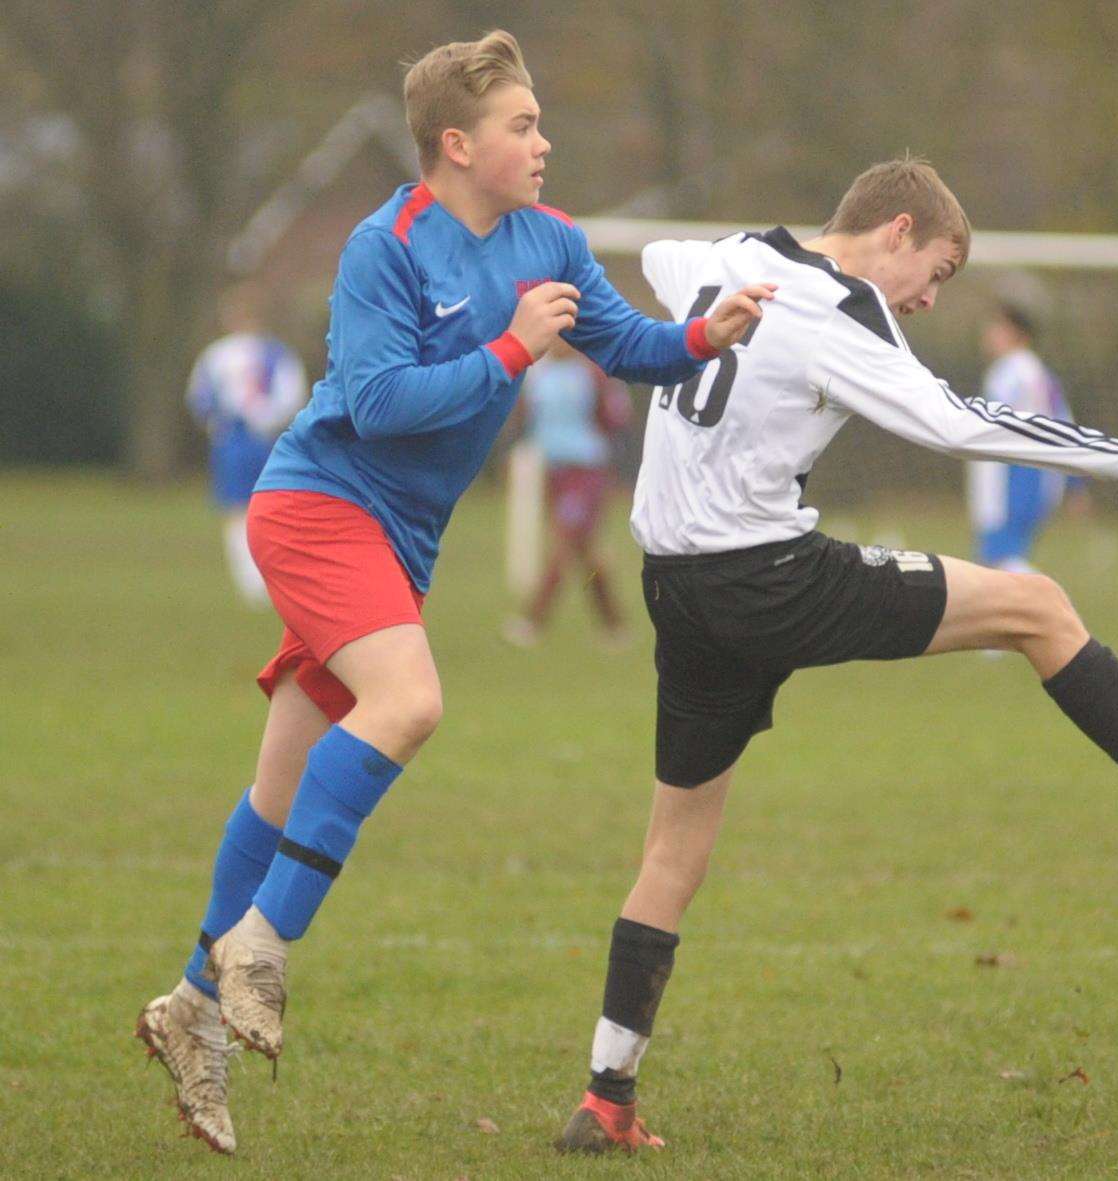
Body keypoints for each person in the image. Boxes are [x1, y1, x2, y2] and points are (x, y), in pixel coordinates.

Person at [554, 157, 1118, 1154]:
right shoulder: (843, 311)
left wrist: (539, 229)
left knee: (673, 848)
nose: (930, 297)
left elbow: (659, 255)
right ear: (899, 227)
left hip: (677, 585)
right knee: (1038, 606)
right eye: (940, 270)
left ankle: (606, 1098)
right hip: (769, 575)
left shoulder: (727, 256)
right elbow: (961, 424)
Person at [134, 30, 774, 1156]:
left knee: (279, 789)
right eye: (523, 126)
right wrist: (515, 352)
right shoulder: (385, 246)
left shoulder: (552, 240)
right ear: (456, 144)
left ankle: (191, 1008)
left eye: (539, 123)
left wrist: (700, 336)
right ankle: (262, 945)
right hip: (319, 504)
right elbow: (378, 406)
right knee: (411, 701)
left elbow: (624, 344)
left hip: (398, 543)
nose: (543, 142)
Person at [504, 336, 633, 646]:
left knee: (562, 544)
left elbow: (616, 419)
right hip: (552, 471)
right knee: (586, 553)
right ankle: (613, 626)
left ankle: (532, 621)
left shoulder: (592, 374)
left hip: (585, 471)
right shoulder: (537, 375)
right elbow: (523, 420)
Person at [185, 286, 308, 606]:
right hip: (265, 438)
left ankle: (253, 584)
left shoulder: (216, 354)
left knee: (241, 509)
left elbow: (200, 399)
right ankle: (266, 582)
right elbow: (292, 397)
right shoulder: (277, 354)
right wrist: (268, 419)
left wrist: (219, 425)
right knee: (271, 507)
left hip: (239, 439)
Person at [966, 298, 1087, 572]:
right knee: (999, 561)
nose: (988, 333)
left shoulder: (1013, 373)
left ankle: (1042, 607)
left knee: (1001, 563)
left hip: (1014, 478)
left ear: (1015, 333)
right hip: (1029, 478)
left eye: (996, 327)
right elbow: (1065, 422)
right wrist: (1074, 483)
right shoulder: (1036, 372)